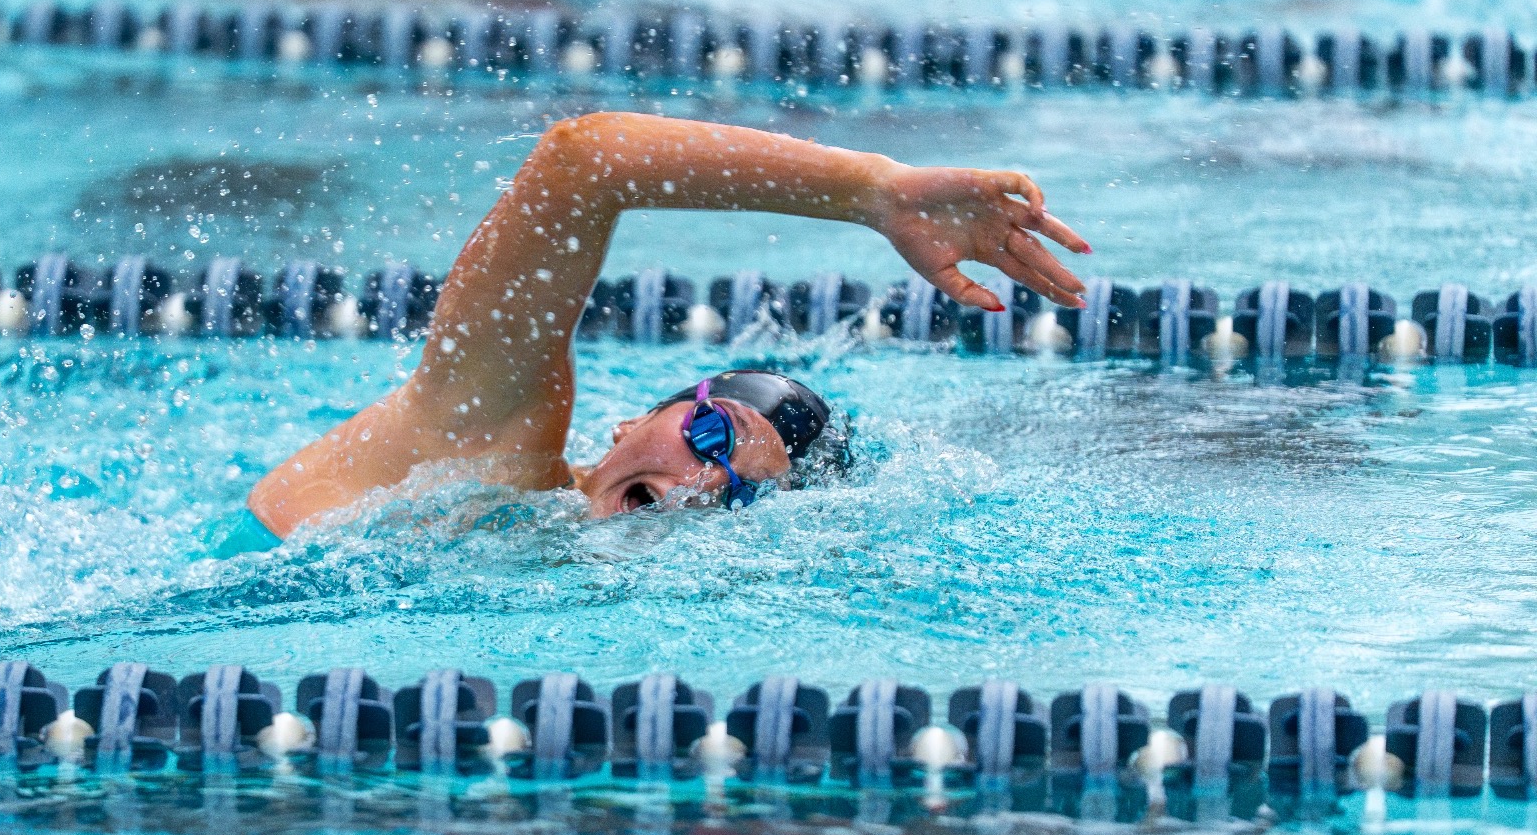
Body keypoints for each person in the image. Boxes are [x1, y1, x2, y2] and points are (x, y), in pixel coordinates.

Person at [222, 111, 1091, 553]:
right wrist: (873, 190)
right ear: (627, 423)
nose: (700, 484)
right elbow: (584, 159)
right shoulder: (486, 439)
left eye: (739, 495)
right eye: (713, 433)